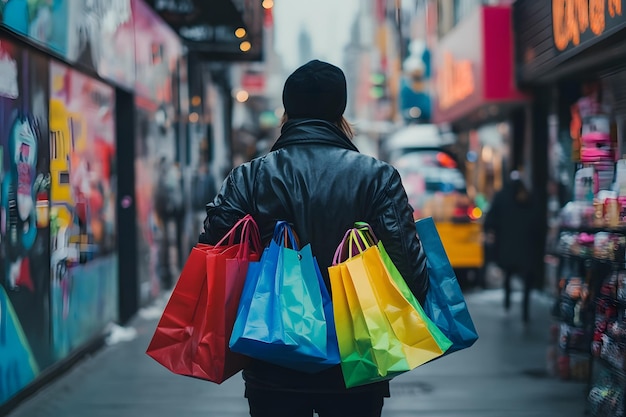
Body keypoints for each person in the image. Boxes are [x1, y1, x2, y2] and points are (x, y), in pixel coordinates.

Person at [199, 59, 430, 417]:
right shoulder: (376, 178)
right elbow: (410, 275)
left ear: (287, 111)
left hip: (272, 357)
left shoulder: (250, 177)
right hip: (357, 361)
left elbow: (214, 252)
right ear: (341, 111)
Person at [483, 169, 543, 323]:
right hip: (526, 247)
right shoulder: (530, 198)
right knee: (527, 279)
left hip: (507, 246)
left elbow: (490, 220)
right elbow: (539, 223)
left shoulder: (501, 196)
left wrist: (491, 232)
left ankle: (507, 304)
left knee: (508, 276)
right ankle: (525, 312)